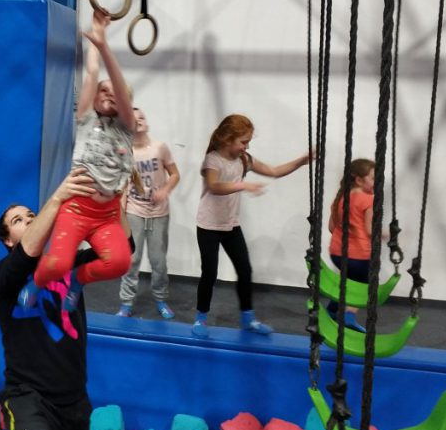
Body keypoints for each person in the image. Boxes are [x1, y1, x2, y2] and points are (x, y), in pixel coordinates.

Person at [0, 168, 98, 430]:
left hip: (74, 402)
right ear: (8, 240)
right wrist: (59, 196)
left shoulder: (70, 265)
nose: (29, 220)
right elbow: (27, 252)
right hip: (28, 395)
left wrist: (113, 199)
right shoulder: (3, 277)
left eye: (31, 215)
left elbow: (123, 246)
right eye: (18, 220)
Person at [19, 9, 135, 311]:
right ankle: (38, 281)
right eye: (103, 91)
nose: (109, 93)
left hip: (107, 214)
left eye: (115, 92)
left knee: (120, 261)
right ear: (94, 98)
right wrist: (95, 40)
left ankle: (78, 280)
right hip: (76, 208)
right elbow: (92, 75)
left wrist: (103, 45)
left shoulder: (127, 128)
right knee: (57, 263)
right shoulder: (85, 119)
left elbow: (118, 86)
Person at [193, 114, 312, 336]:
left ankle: (247, 318)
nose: (246, 146)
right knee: (209, 273)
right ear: (227, 139)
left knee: (245, 270)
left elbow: (274, 172)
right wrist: (243, 185)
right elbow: (214, 186)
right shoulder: (213, 160)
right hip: (208, 226)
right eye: (243, 141)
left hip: (230, 225)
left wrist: (300, 161)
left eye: (248, 142)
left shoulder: (244, 159)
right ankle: (201, 318)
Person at [117, 108, 180, 319]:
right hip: (134, 211)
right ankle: (126, 303)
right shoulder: (125, 153)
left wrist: (165, 190)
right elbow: (124, 185)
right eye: (133, 119)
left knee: (158, 261)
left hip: (159, 213)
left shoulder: (160, 148)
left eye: (142, 117)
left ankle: (160, 299)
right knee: (131, 260)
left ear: (147, 123)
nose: (139, 121)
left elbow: (175, 174)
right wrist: (121, 214)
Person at [327, 158, 377, 333]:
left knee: (346, 282)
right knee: (362, 287)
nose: (376, 182)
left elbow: (331, 227)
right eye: (373, 178)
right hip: (359, 255)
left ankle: (331, 311)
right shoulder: (368, 199)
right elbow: (370, 231)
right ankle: (348, 318)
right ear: (359, 180)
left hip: (337, 253)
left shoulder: (340, 198)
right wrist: (387, 234)